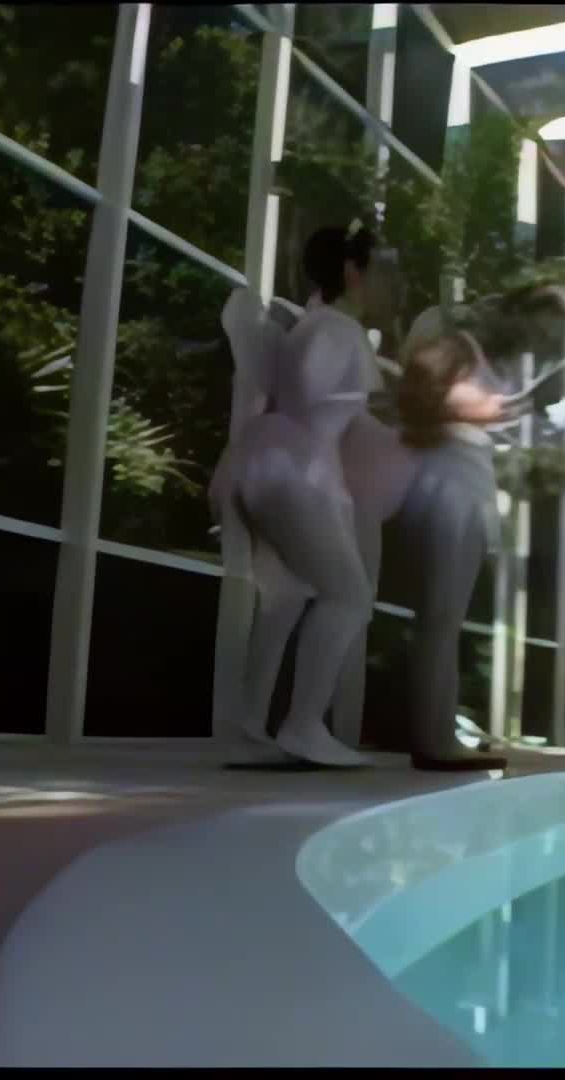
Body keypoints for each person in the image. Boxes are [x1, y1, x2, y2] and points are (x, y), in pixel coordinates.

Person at [209, 224, 388, 768]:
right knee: (349, 597)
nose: (390, 283)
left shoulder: (312, 324)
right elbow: (315, 400)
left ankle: (248, 730)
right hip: (295, 471)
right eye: (382, 270)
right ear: (353, 272)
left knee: (285, 596)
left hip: (264, 465)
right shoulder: (337, 329)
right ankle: (304, 725)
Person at [386, 326, 515, 770]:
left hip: (458, 491)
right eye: (470, 379)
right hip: (455, 501)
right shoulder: (445, 463)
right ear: (440, 389)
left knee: (442, 623)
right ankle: (434, 738)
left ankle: (437, 733)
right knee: (440, 621)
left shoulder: (444, 451)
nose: (487, 389)